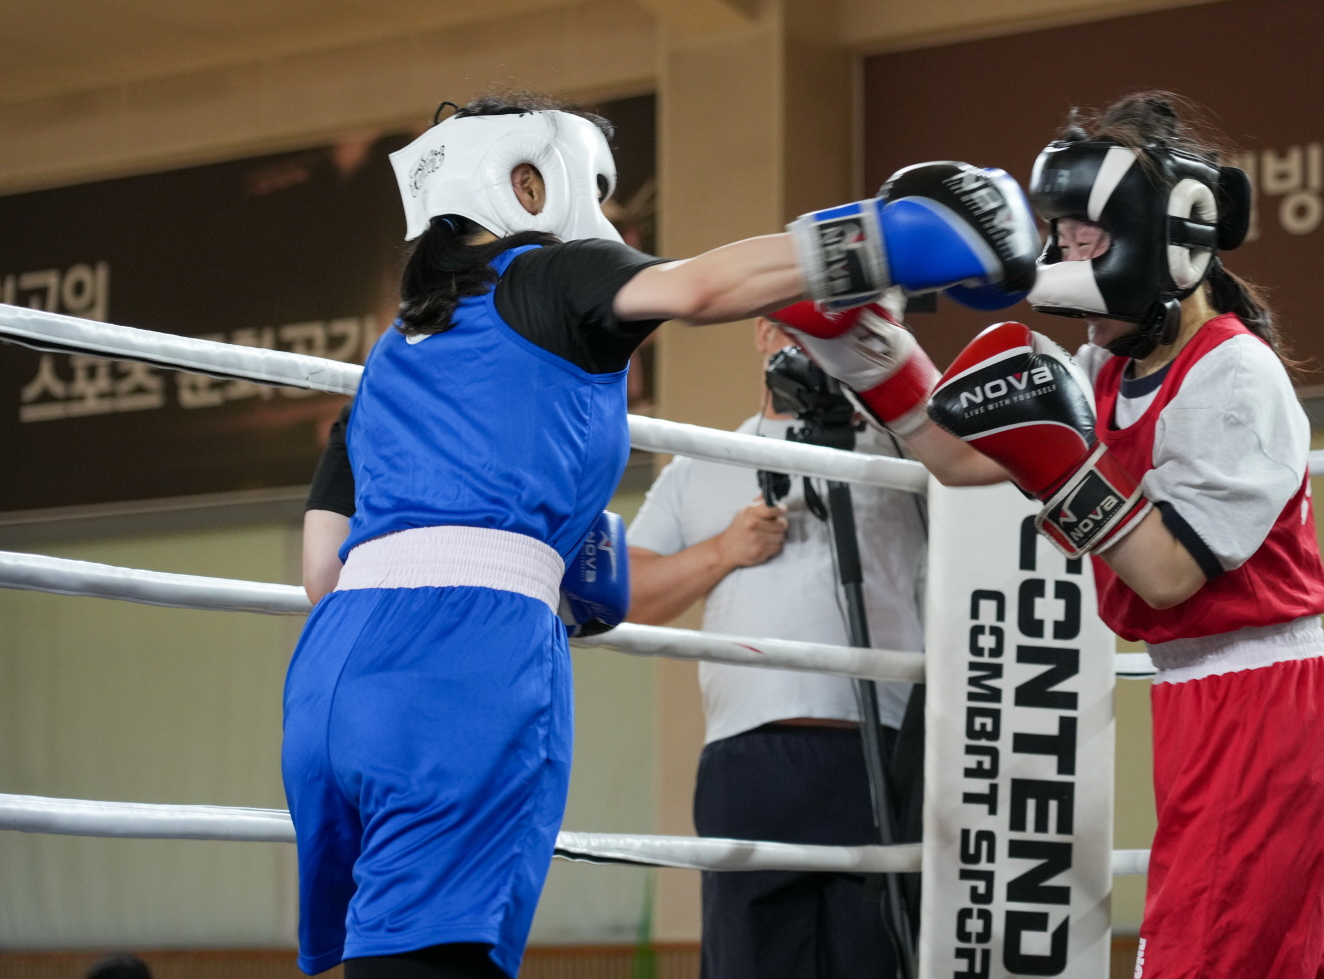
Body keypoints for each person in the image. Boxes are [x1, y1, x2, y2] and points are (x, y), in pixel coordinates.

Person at [284, 89, 1042, 979]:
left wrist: (539, 558)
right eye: (591, 192)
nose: (600, 220)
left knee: (391, 950)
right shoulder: (545, 277)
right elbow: (699, 285)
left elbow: (319, 569)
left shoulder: (392, 352)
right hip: (463, 661)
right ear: (526, 182)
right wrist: (893, 233)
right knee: (442, 961)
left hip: (333, 678)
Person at [773, 93, 1324, 979]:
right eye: (1055, 233)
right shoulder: (1107, 364)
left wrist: (1064, 472)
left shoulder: (1235, 375)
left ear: (1154, 231)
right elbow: (958, 458)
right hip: (1210, 707)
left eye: (1080, 234)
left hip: (1267, 704)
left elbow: (1168, 573)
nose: (1058, 258)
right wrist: (866, 352)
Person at [624, 314, 926, 979]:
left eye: (841, 327)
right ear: (763, 333)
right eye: (801, 327)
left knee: (878, 959)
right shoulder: (702, 460)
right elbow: (628, 592)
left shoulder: (913, 458)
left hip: (882, 752)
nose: (818, 346)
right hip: (752, 752)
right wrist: (721, 551)